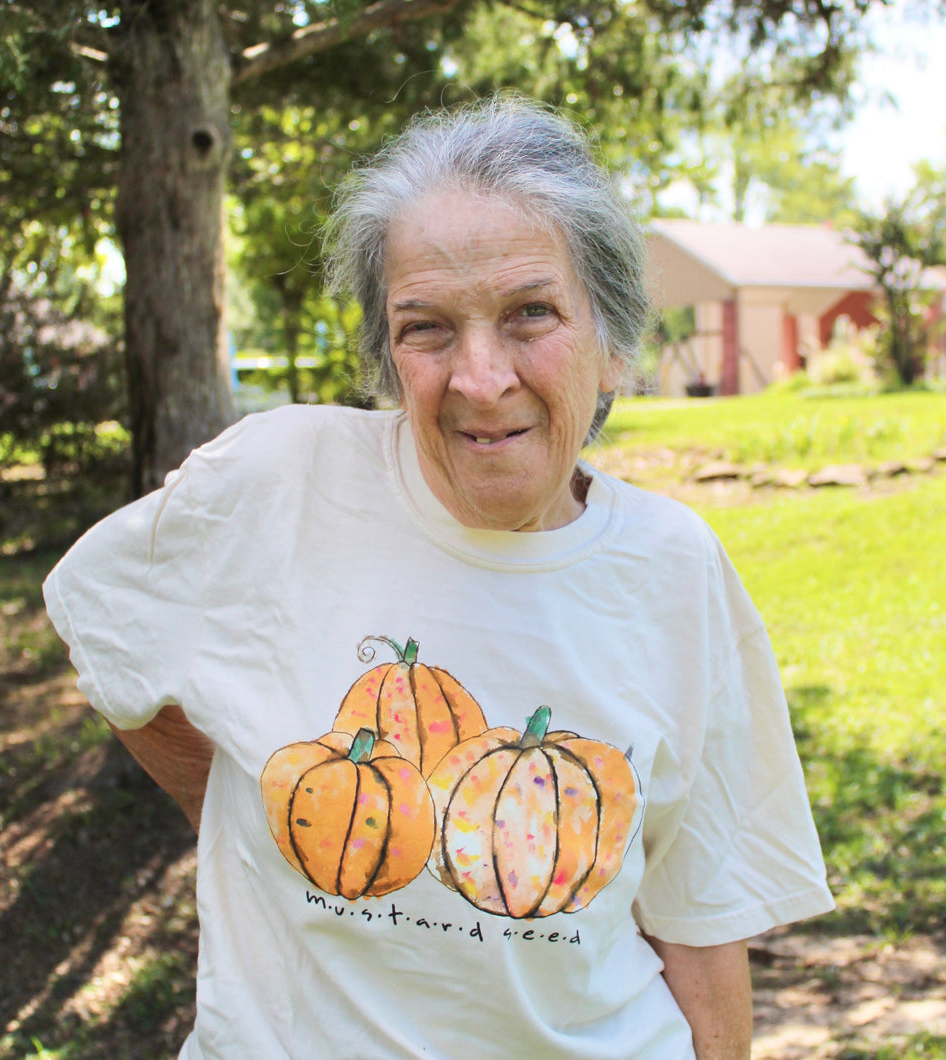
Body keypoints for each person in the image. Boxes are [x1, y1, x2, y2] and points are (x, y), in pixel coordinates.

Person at [43, 96, 833, 1059]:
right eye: (427, 329)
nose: (480, 376)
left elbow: (701, 919)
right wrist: (256, 808)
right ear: (388, 356)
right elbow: (108, 625)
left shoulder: (671, 565)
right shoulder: (276, 484)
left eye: (530, 313)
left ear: (615, 340)